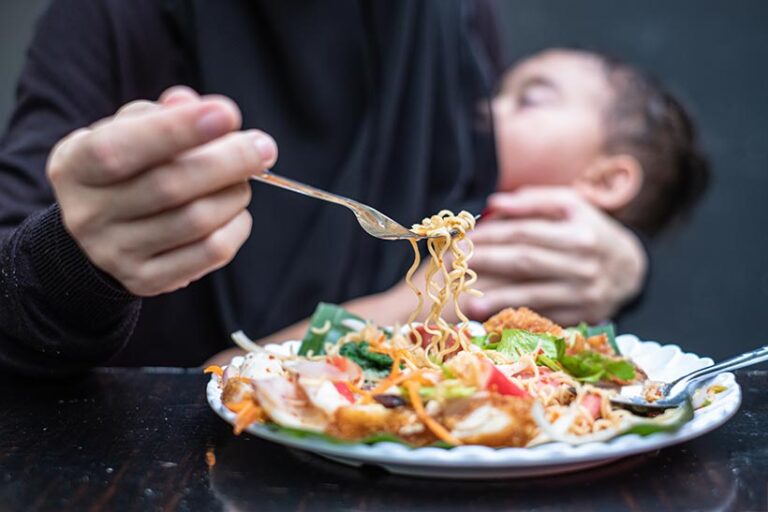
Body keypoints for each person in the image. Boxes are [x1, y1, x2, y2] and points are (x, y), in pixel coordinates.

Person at [0, 1, 647, 376]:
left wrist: (618, 267)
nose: (493, 112)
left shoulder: (448, 18)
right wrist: (77, 257)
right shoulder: (115, 16)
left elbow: (477, 228)